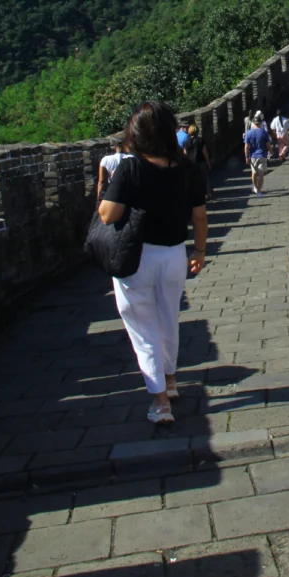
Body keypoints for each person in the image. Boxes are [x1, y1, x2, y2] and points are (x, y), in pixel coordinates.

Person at [99, 101, 208, 424]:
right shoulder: (186, 168)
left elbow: (107, 214)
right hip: (174, 254)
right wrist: (199, 252)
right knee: (168, 319)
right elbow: (199, 216)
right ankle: (170, 381)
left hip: (137, 258)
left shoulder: (130, 169)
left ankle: (160, 403)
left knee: (143, 328)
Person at [244, 110, 271, 195]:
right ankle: (259, 191)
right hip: (262, 155)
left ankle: (255, 187)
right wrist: (271, 151)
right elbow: (268, 144)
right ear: (259, 123)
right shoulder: (263, 132)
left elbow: (246, 147)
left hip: (252, 156)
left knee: (254, 173)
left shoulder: (248, 133)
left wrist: (246, 157)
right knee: (261, 175)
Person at [184, 123, 212, 200]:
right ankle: (207, 194)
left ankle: (193, 193)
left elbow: (185, 154)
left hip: (191, 163)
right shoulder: (200, 140)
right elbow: (205, 152)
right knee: (204, 178)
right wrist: (208, 162)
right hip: (201, 162)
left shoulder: (186, 142)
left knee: (193, 179)